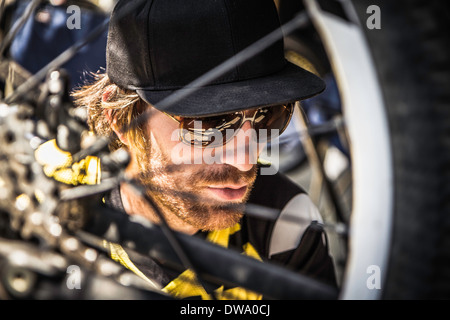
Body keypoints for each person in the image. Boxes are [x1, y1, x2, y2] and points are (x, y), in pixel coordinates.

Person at [72, 0, 337, 300]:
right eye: (209, 124)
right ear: (122, 119)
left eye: (268, 115)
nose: (246, 159)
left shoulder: (285, 223)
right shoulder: (47, 198)